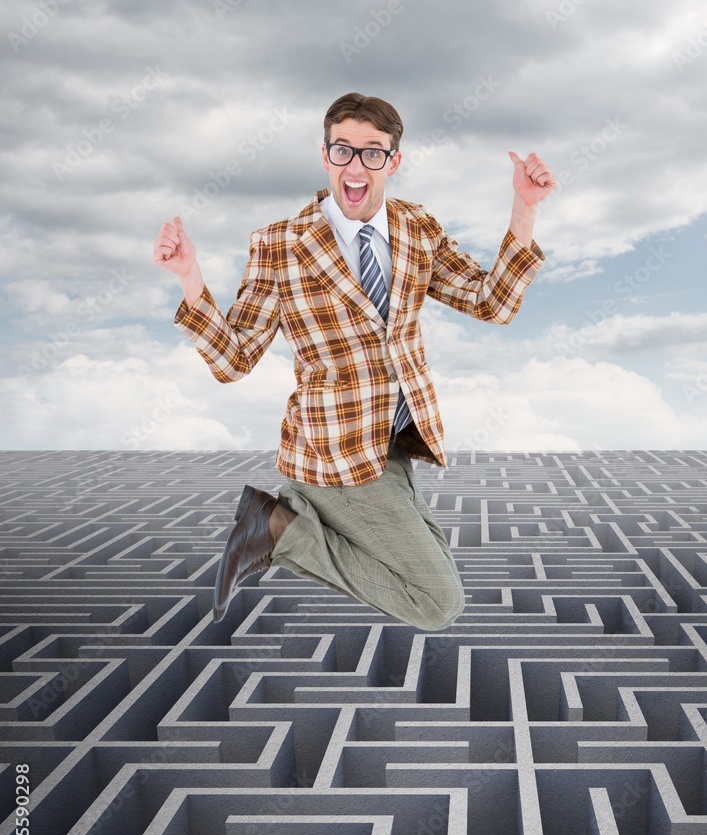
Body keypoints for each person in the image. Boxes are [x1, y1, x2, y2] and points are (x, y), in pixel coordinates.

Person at [153, 92, 556, 630]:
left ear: (392, 162)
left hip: (396, 447)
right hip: (331, 454)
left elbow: (491, 302)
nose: (355, 165)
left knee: (428, 572)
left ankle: (286, 520)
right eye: (343, 150)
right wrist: (190, 276)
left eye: (372, 152)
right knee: (439, 603)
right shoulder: (281, 244)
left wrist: (524, 208)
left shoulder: (416, 229)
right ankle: (278, 527)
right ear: (326, 157)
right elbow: (235, 359)